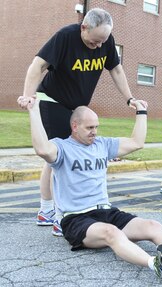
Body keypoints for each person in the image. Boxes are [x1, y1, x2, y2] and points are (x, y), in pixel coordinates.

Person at [20, 96, 162, 281]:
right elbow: (41, 148)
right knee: (111, 233)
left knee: (152, 225)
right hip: (76, 219)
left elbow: (137, 142)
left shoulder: (102, 145)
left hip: (105, 211)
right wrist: (33, 110)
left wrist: (141, 112)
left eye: (96, 127)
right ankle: (155, 263)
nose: (94, 132)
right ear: (74, 126)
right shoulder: (62, 147)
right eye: (89, 127)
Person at [17, 8, 138, 237]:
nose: (99, 47)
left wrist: (129, 98)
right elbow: (37, 66)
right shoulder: (66, 36)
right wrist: (28, 96)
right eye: (95, 41)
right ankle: (52, 212)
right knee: (58, 157)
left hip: (77, 106)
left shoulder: (105, 40)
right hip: (53, 100)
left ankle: (52, 210)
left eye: (103, 41)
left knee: (63, 157)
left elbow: (117, 70)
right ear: (84, 27)